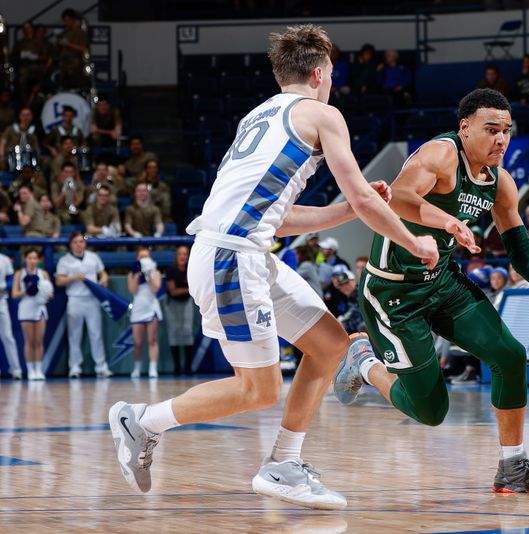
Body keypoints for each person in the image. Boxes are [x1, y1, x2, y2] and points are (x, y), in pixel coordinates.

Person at [108, 24, 438, 510]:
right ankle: (142, 420)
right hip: (230, 258)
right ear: (321, 73)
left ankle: (284, 463)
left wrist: (347, 209)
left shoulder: (256, 117)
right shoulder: (323, 114)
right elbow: (364, 196)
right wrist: (412, 239)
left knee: (328, 346)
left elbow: (276, 217)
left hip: (246, 252)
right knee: (259, 388)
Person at [332, 88, 529, 494]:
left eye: (506, 131)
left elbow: (518, 246)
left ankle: (513, 466)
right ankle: (362, 360)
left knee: (510, 356)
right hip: (394, 293)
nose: (501, 139)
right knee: (430, 411)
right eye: (491, 129)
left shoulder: (500, 182)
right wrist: (446, 221)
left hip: (443, 282)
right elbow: (399, 200)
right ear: (465, 128)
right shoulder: (441, 155)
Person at [55, 232, 113, 378]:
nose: (79, 244)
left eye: (81, 241)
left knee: (96, 334)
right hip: (75, 300)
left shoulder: (93, 257)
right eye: (75, 242)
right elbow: (59, 281)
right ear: (71, 244)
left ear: (85, 243)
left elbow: (103, 273)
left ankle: (101, 366)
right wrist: (74, 277)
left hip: (92, 299)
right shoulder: (64, 260)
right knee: (74, 335)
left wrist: (104, 280)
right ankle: (74, 367)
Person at [12, 248, 51, 380]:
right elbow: (14, 294)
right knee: (29, 341)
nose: (32, 261)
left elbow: (50, 294)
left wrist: (42, 291)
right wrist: (27, 290)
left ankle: (39, 369)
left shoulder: (43, 273)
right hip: (26, 308)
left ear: (39, 260)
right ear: (25, 259)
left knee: (38, 341)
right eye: (30, 258)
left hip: (39, 308)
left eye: (35, 258)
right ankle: (30, 370)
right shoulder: (19, 273)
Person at [128, 247, 163, 379]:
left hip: (151, 308)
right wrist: (137, 274)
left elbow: (156, 288)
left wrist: (148, 274)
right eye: (141, 256)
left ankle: (153, 368)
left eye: (146, 256)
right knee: (137, 342)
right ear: (137, 259)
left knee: (152, 339)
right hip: (138, 309)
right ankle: (137, 367)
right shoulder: (132, 273)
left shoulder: (155, 272)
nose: (144, 259)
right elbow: (132, 290)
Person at [165, 245, 195, 375]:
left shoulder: (192, 269)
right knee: (174, 332)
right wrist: (189, 290)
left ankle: (188, 367)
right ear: (176, 256)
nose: (183, 257)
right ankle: (177, 367)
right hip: (172, 303)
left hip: (187, 302)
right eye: (180, 254)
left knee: (188, 331)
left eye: (185, 254)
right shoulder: (171, 270)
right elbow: (173, 291)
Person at [0, 253, 22, 379]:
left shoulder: (4, 259)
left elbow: (10, 279)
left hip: (1, 299)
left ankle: (16, 370)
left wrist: (4, 287)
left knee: (7, 336)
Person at [58, 8, 88, 90]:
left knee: (75, 88)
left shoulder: (80, 32)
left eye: (67, 20)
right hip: (65, 65)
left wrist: (68, 44)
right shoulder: (66, 32)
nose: (66, 23)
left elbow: (83, 49)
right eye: (65, 21)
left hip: (75, 66)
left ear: (73, 19)